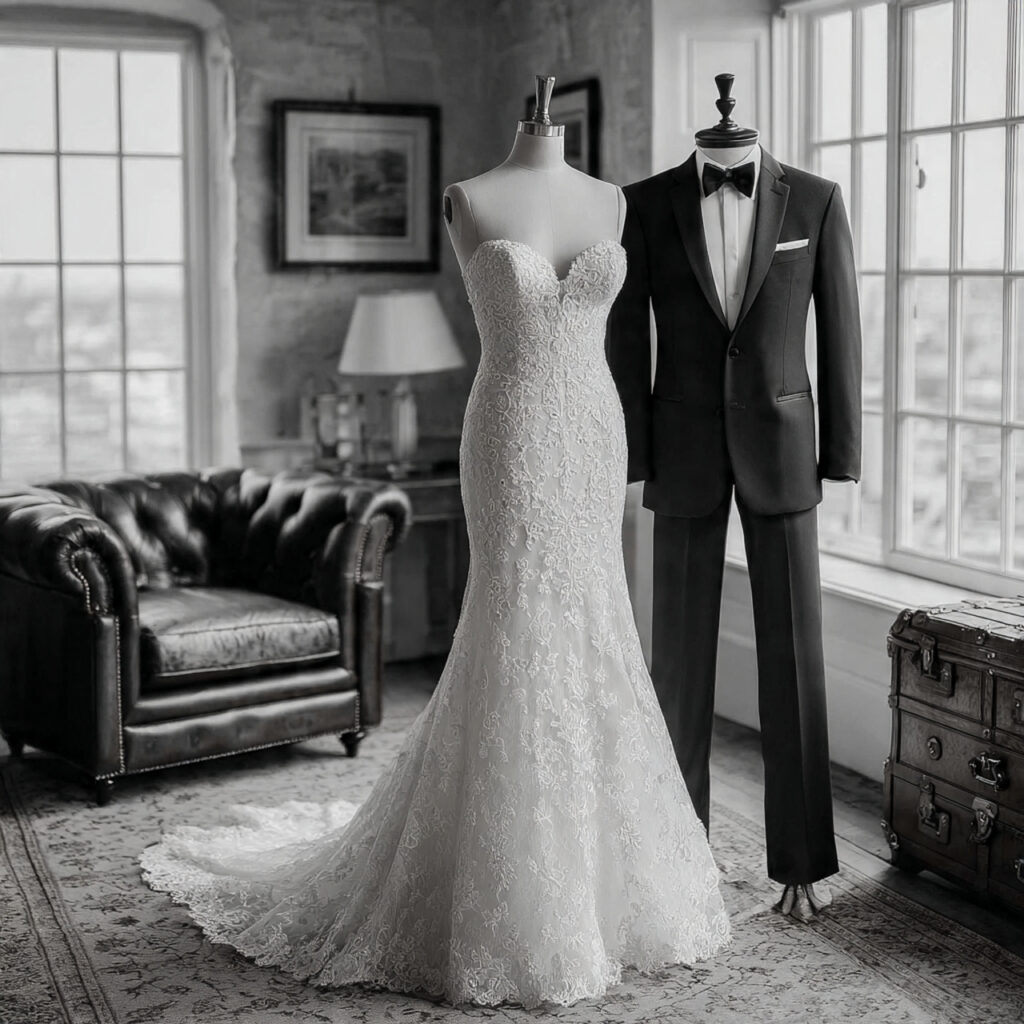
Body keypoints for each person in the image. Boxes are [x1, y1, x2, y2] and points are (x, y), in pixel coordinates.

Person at [139, 77, 731, 1008]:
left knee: (598, 623)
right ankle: (506, 883)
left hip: (592, 429)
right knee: (514, 623)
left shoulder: (613, 200)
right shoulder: (469, 195)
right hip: (512, 431)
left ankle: (607, 881)